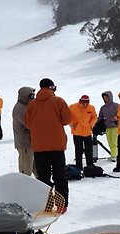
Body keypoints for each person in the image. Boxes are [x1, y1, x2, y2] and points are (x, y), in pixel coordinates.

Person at [25, 78, 72, 212]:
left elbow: (28, 124)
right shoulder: (58, 101)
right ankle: (61, 205)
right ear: (52, 87)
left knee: (43, 177)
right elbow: (67, 119)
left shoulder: (32, 104)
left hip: (39, 146)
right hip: (56, 145)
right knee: (60, 175)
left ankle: (47, 204)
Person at [69, 95, 97, 169]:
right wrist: (72, 124)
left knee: (89, 150)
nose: (84, 104)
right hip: (77, 132)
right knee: (78, 150)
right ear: (80, 101)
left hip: (87, 132)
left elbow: (94, 117)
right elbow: (68, 116)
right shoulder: (72, 107)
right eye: (82, 102)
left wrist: (91, 125)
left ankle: (90, 165)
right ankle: (79, 166)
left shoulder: (91, 108)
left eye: (86, 102)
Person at [12, 87, 36, 176]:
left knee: (32, 165)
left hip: (29, 141)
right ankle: (23, 184)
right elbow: (29, 124)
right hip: (24, 143)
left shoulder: (26, 106)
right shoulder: (20, 108)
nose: (33, 98)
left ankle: (39, 181)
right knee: (26, 168)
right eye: (31, 96)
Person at [97, 91, 119, 161]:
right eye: (104, 98)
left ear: (110, 97)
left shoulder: (116, 105)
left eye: (106, 97)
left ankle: (115, 156)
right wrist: (96, 123)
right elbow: (100, 117)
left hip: (115, 126)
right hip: (107, 127)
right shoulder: (103, 108)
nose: (105, 99)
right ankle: (113, 154)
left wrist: (116, 118)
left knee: (114, 142)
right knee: (109, 142)